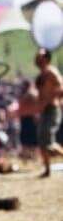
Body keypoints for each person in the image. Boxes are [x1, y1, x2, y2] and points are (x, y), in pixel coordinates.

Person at [34, 48, 63, 178]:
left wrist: (51, 99)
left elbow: (61, 86)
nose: (37, 58)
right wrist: (39, 109)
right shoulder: (41, 75)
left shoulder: (52, 71)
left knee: (49, 143)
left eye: (40, 56)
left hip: (52, 109)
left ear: (46, 58)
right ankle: (47, 170)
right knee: (42, 142)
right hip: (44, 111)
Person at [17, 79, 38, 159]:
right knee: (27, 139)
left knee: (32, 139)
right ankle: (28, 157)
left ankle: (32, 157)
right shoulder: (26, 94)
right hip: (25, 119)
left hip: (30, 118)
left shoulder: (31, 93)